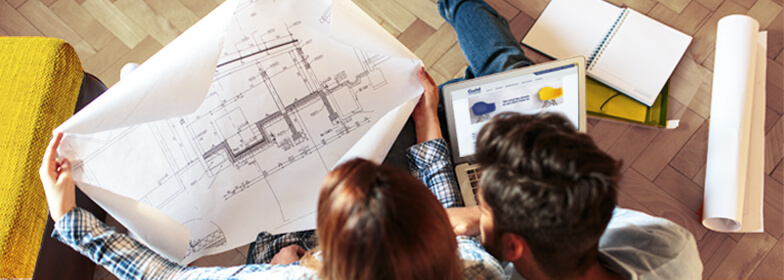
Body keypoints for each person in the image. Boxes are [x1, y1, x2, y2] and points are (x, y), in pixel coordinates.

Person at [39, 67, 504, 279]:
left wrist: (68, 218)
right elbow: (450, 233)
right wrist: (427, 122)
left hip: (280, 238)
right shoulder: (479, 271)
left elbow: (164, 277)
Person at [404, 0, 704, 279]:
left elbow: (458, 242)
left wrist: (426, 119)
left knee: (502, 71)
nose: (479, 213)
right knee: (512, 74)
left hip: (435, 193)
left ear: (512, 248)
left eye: (485, 208)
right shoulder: (667, 248)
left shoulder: (483, 271)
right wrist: (485, 215)